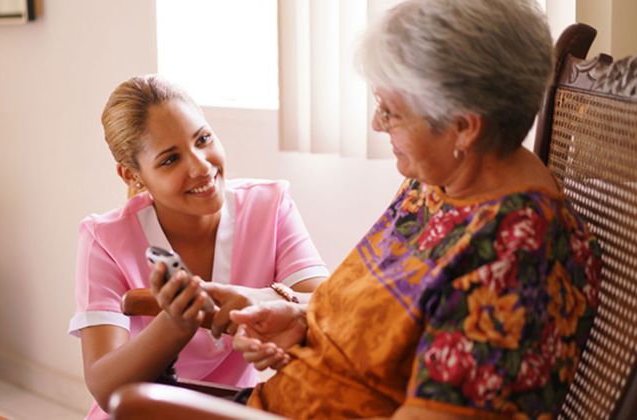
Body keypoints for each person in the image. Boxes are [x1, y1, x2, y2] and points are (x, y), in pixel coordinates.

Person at [204, 0, 602, 418]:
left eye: (391, 111)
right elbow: (393, 329)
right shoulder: (438, 182)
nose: (377, 124)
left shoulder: (518, 254)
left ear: (463, 127)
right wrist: (302, 319)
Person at [68, 75, 329, 419]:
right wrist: (176, 324)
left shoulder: (271, 205)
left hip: (236, 410)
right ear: (133, 176)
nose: (201, 166)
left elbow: (326, 308)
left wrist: (271, 311)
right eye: (170, 160)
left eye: (203, 139)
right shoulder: (104, 238)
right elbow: (105, 387)